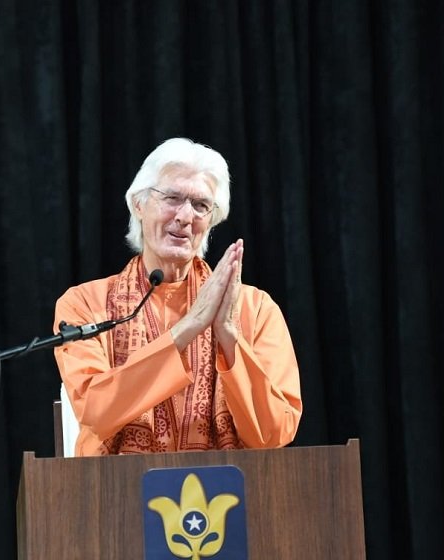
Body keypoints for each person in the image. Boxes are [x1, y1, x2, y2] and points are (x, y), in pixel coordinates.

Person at [53, 138, 302, 456]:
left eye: (201, 205)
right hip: (115, 496)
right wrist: (191, 326)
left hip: (229, 497)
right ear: (139, 205)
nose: (186, 216)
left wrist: (227, 335)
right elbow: (95, 412)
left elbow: (275, 434)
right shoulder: (85, 304)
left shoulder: (255, 309)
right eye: (172, 198)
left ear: (211, 221)